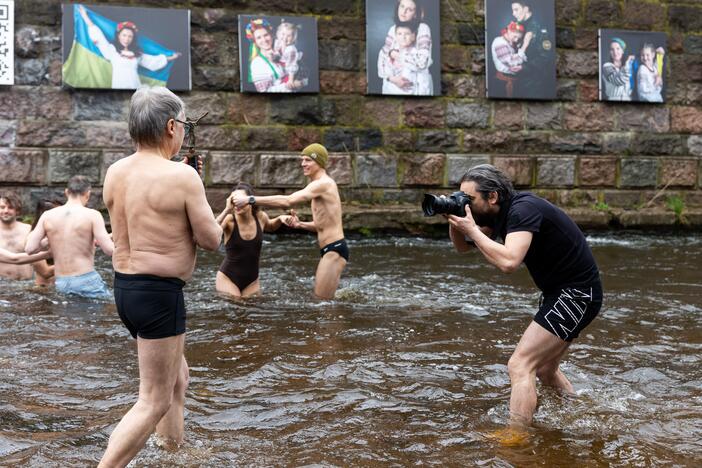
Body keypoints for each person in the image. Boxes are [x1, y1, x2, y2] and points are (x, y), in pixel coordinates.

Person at [98, 86, 222, 466]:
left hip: (125, 290)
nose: (184, 131)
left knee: (177, 378)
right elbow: (211, 240)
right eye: (183, 124)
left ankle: (170, 453)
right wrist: (197, 188)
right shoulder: (182, 178)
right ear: (171, 126)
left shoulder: (115, 172)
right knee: (153, 399)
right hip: (160, 294)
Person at [446, 165, 602, 434]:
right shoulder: (498, 213)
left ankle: (516, 437)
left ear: (492, 196)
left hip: (576, 294)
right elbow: (462, 249)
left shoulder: (523, 209)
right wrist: (455, 219)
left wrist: (471, 229)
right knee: (545, 370)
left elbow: (509, 261)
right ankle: (577, 413)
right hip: (564, 294)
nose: (465, 204)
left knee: (520, 365)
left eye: (468, 199)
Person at [232, 143, 347, 300]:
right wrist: (300, 225)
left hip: (334, 249)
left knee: (322, 303)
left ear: (319, 162)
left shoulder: (323, 184)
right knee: (323, 302)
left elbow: (288, 201)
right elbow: (323, 226)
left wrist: (250, 199)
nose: (303, 164)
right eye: (302, 160)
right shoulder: (318, 185)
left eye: (308, 160)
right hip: (332, 249)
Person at [25, 176, 114, 299]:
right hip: (86, 278)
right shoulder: (93, 215)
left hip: (61, 282)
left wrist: (50, 240)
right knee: (108, 309)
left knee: (69, 316)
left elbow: (30, 249)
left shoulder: (47, 215)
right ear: (87, 193)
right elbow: (109, 250)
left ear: (66, 192)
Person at [77, 4, 181, 89]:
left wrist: (172, 57)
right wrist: (85, 16)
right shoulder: (112, 51)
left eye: (130, 36)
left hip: (135, 88)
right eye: (124, 35)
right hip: (118, 88)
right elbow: (99, 37)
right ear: (119, 36)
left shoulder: (137, 54)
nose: (127, 39)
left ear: (132, 38)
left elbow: (152, 61)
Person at [215, 182, 291, 298]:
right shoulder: (229, 220)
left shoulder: (260, 217)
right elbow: (210, 233)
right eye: (233, 201)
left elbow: (270, 226)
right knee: (236, 305)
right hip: (228, 278)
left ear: (250, 201)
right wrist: (226, 209)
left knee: (252, 310)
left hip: (252, 280)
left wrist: (280, 219)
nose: (237, 204)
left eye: (240, 200)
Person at [378, 0, 433, 95]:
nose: (403, 12)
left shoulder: (422, 28)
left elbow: (422, 62)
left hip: (416, 89)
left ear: (416, 14)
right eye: (402, 6)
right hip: (391, 87)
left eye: (409, 9)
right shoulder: (392, 29)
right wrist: (392, 78)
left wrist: (395, 54)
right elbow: (382, 58)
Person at [0, 191, 54, 282]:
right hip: (2, 286)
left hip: (26, 285)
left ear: (17, 210)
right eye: (2, 207)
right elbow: (14, 258)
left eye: (10, 207)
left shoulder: (29, 230)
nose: (6, 211)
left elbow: (44, 269)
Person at [246, 18, 304, 93]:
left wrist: (302, 81)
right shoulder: (257, 63)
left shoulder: (284, 50)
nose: (264, 40)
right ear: (255, 42)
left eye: (266, 35)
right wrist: (292, 85)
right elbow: (265, 92)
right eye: (259, 38)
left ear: (272, 35)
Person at [511, 1, 555, 97]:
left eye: (516, 9)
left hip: (535, 85)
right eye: (513, 10)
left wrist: (524, 67)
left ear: (526, 9)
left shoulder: (539, 28)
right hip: (520, 82)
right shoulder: (519, 27)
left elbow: (545, 57)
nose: (513, 13)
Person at [30, 198, 63, 286]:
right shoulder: (33, 239)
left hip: (61, 287)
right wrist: (75, 262)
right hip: (44, 290)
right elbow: (45, 272)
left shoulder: (61, 234)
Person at [490, 21, 527, 98]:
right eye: (515, 36)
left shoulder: (511, 43)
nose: (516, 40)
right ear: (509, 31)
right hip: (503, 82)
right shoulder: (499, 43)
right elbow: (512, 63)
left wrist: (519, 57)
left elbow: (524, 59)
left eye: (518, 38)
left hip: (514, 80)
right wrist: (524, 48)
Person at [273, 21, 308, 89]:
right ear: (278, 34)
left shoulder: (291, 50)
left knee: (288, 85)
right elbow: (277, 53)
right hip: (283, 66)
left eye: (289, 36)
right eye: (283, 34)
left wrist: (290, 80)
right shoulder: (277, 42)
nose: (285, 37)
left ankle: (297, 81)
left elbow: (292, 65)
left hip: (293, 70)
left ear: (293, 38)